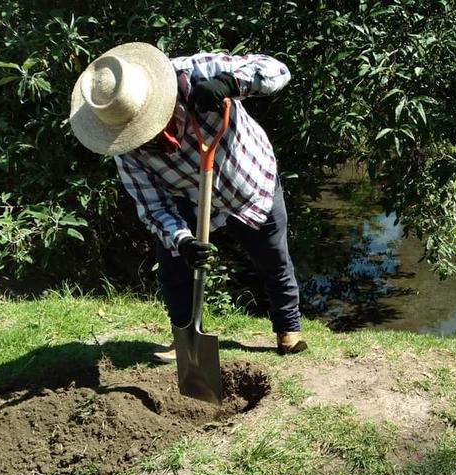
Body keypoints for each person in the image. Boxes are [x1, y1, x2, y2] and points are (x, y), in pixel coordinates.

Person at [69, 42, 307, 359]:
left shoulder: (194, 72)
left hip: (250, 181)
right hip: (189, 196)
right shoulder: (121, 144)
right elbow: (154, 207)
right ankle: (184, 337)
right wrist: (182, 241)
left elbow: (277, 69)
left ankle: (287, 330)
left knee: (273, 258)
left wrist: (232, 83)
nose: (148, 138)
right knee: (173, 266)